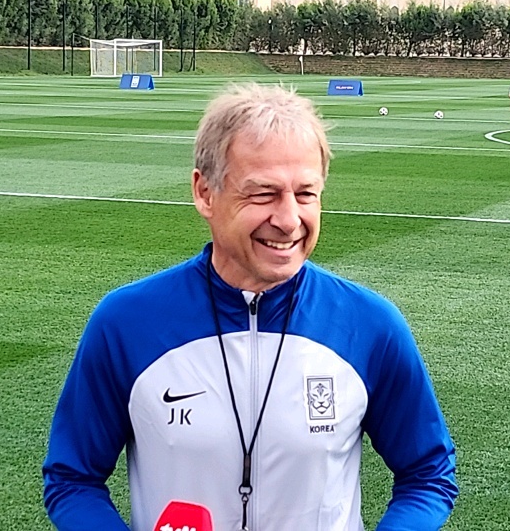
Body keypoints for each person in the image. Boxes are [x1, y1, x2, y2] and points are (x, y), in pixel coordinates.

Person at [42, 83, 458, 531]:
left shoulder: (370, 325)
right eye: (263, 194)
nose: (288, 220)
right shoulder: (126, 322)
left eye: (305, 194)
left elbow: (427, 474)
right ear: (205, 193)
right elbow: (73, 479)